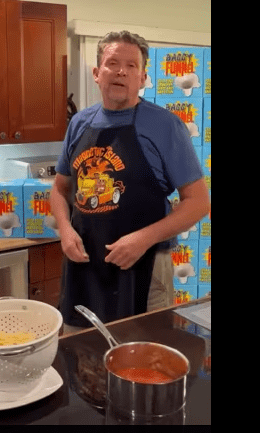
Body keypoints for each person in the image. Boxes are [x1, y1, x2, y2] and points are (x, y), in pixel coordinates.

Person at [51, 30, 210, 334]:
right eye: (112, 63)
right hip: (84, 266)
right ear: (98, 74)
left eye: (131, 65)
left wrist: (143, 238)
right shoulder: (79, 123)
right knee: (82, 357)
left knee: (144, 362)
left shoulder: (165, 126)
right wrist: (66, 230)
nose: (121, 71)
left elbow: (198, 202)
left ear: (143, 77)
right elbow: (60, 189)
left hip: (144, 269)